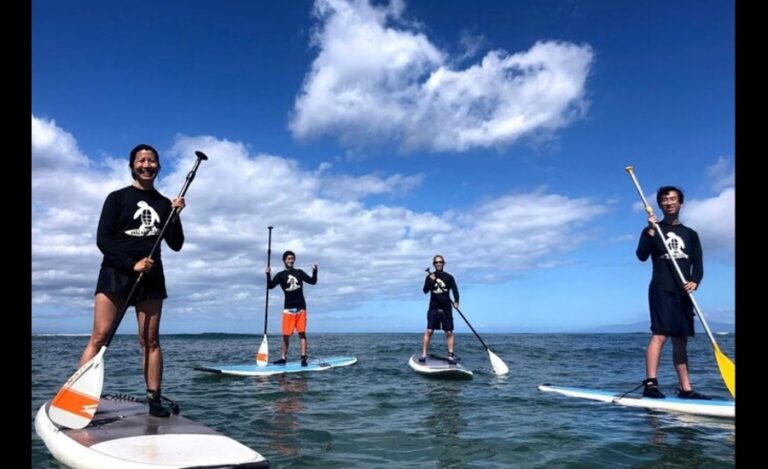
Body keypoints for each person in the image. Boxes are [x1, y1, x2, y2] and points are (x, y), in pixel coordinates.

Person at [77, 144, 186, 417]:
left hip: (151, 277)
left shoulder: (164, 204)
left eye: (152, 160)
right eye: (141, 160)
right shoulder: (116, 198)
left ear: (158, 166)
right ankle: (77, 398)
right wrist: (130, 264)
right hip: (116, 272)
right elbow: (103, 240)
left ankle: (154, 400)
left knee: (150, 339)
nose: (146, 165)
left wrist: (175, 217)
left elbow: (176, 244)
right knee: (100, 335)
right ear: (132, 166)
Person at [636, 186, 709, 400]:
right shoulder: (652, 230)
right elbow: (641, 255)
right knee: (660, 335)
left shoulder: (691, 234)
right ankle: (651, 384)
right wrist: (650, 232)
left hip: (683, 292)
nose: (669, 202)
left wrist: (695, 281)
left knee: (680, 340)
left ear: (680, 203)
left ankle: (686, 389)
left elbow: (698, 264)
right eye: (664, 200)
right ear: (659, 205)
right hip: (661, 288)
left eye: (673, 199)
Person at [266, 251, 318, 366]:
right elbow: (270, 286)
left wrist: (315, 271)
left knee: (302, 333)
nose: (290, 260)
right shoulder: (280, 275)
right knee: (285, 335)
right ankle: (283, 358)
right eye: (288, 258)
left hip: (301, 307)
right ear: (284, 260)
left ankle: (303, 359)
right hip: (288, 309)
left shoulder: (299, 272)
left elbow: (313, 282)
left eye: (292, 258)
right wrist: (268, 274)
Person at [419, 255, 460, 364]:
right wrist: (431, 282)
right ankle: (423, 354)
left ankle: (451, 356)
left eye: (440, 262)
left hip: (446, 308)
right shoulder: (429, 276)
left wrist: (456, 301)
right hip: (433, 308)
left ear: (443, 263)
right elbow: (425, 291)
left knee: (449, 332)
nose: (438, 264)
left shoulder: (449, 277)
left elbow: (455, 290)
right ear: (434, 264)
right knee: (429, 330)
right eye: (436, 262)